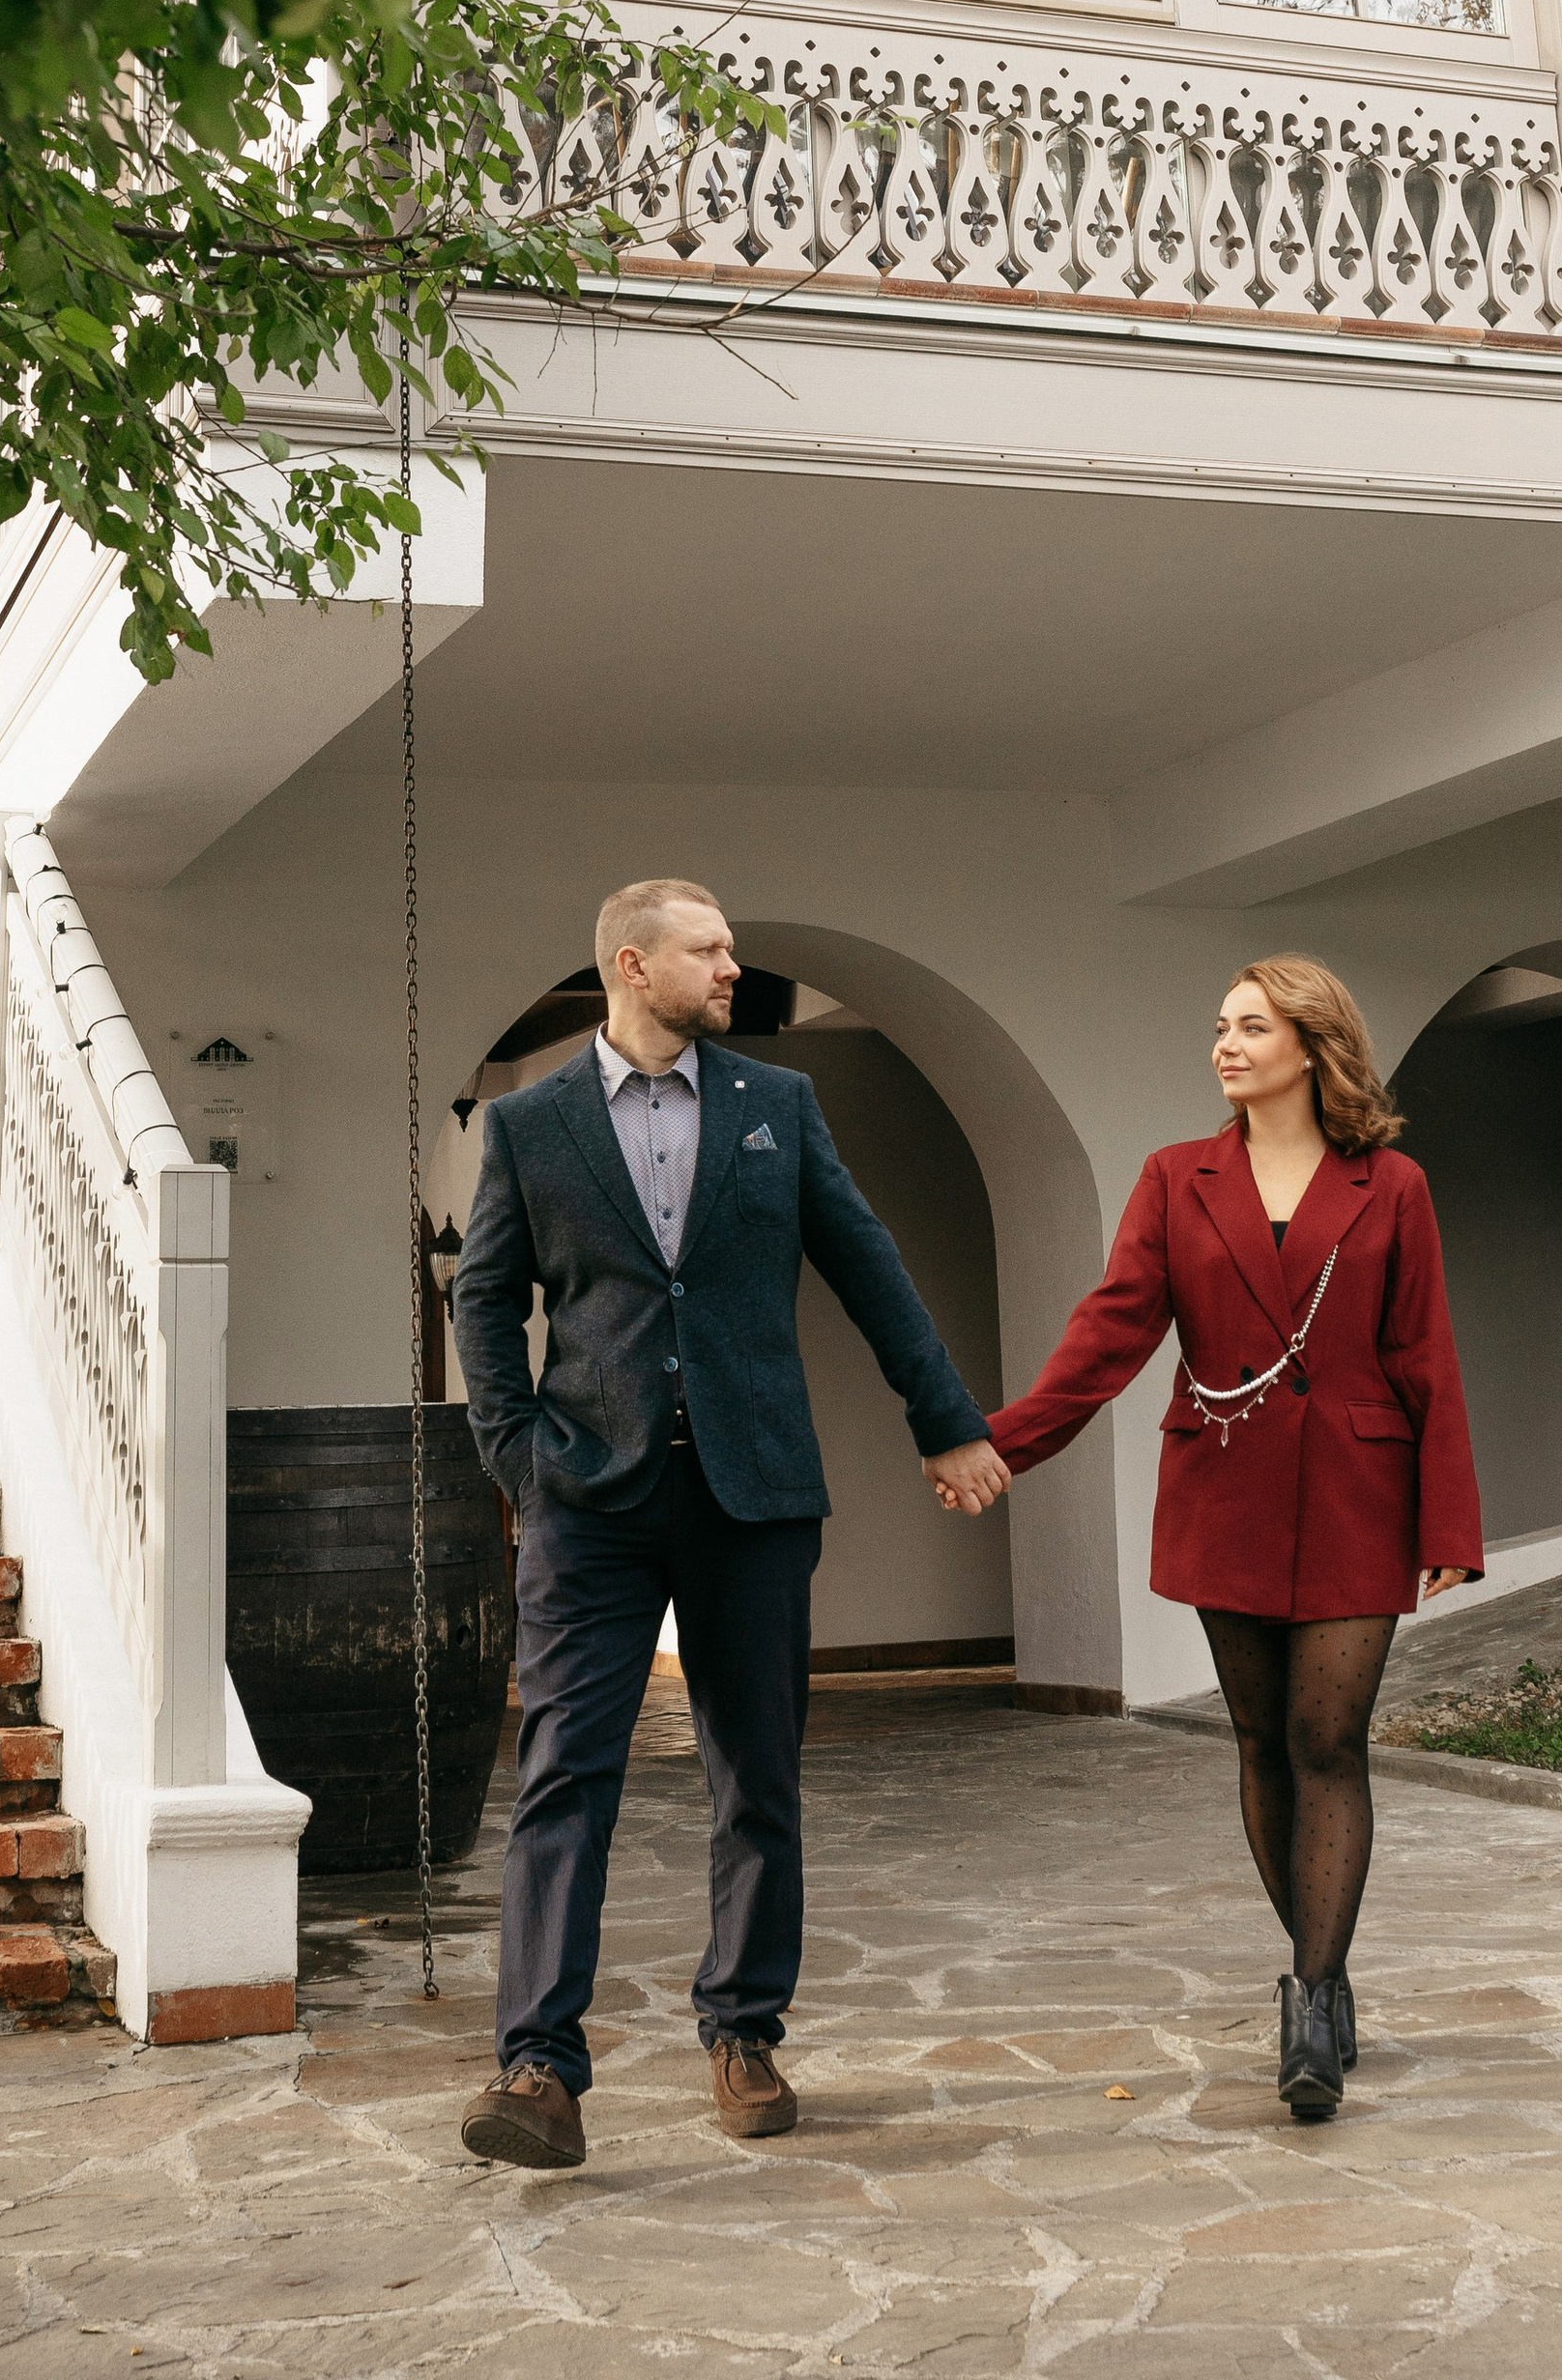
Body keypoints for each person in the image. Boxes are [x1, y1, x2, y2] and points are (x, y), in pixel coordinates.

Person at [451, 878, 1011, 2169]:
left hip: (754, 1495)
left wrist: (946, 1416)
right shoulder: (531, 1128)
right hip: (588, 1502)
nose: (733, 965)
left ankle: (743, 2030)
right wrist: (522, 1462)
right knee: (562, 1778)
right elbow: (486, 1303)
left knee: (755, 1774)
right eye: (710, 949)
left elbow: (866, 1260)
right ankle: (538, 2066)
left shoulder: (778, 1108)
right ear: (634, 968)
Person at [958, 956, 1481, 2123]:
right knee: (1260, 1741)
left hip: (1358, 1487)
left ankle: (1308, 1997)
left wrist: (1448, 1521)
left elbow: (1423, 1354)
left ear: (1311, 1043)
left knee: (1327, 1737)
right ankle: (1326, 1975)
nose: (1225, 1046)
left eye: (1251, 1026)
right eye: (1220, 1027)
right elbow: (1112, 1332)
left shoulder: (1390, 1183)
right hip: (1224, 1484)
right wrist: (1001, 1442)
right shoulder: (1174, 1180)